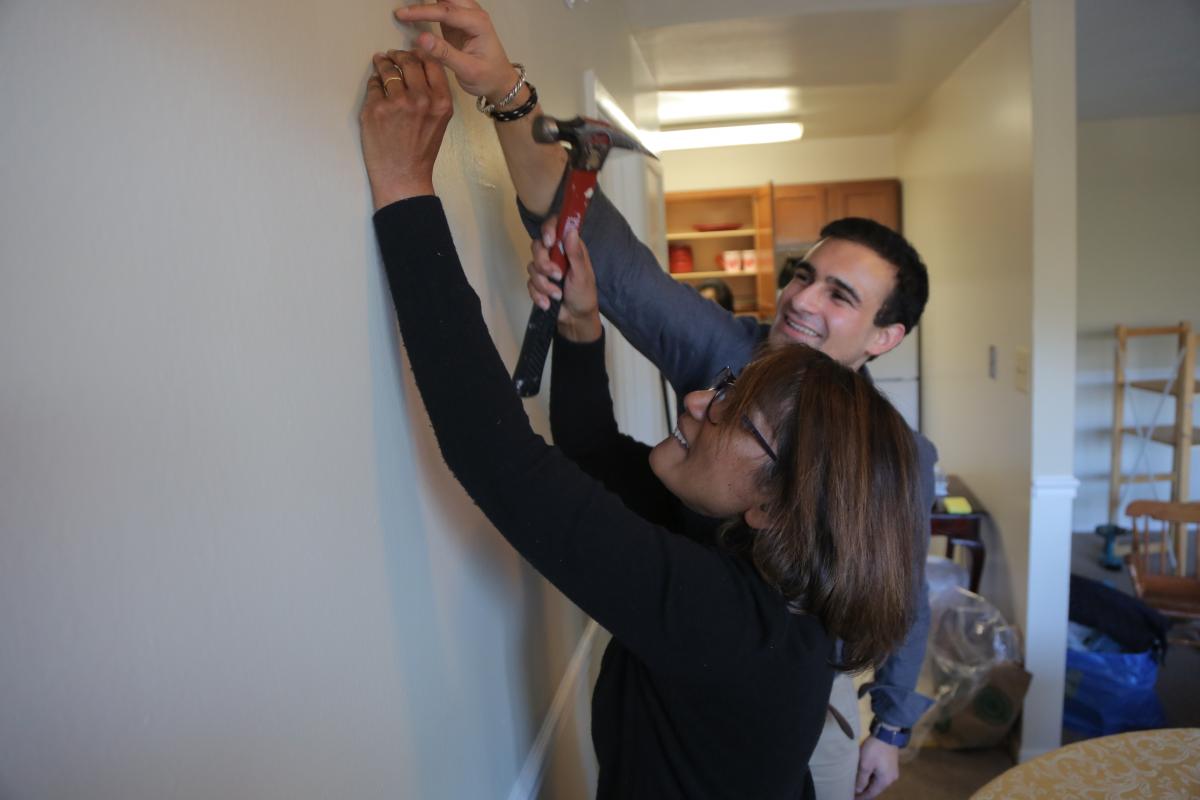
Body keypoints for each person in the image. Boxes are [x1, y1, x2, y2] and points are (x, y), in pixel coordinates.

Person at [390, 3, 938, 797]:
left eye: (841, 296)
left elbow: (903, 599)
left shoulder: (886, 470)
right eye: (802, 274)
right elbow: (611, 265)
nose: (800, 302)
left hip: (798, 703)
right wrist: (508, 93)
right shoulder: (728, 357)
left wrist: (890, 724)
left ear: (885, 337)